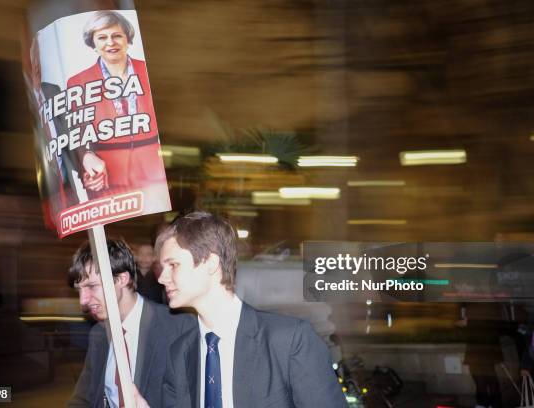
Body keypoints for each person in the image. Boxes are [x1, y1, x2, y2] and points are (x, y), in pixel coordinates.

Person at [152, 211, 347, 408]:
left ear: (210, 263)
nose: (162, 278)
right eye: (162, 267)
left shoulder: (288, 341)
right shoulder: (180, 353)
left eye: (173, 265)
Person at [67, 239, 195, 408]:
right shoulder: (98, 334)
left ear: (121, 279)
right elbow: (83, 398)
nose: (83, 300)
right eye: (79, 290)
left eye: (91, 286)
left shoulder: (178, 328)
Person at [66, 10, 168, 203]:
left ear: (127, 39)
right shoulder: (78, 82)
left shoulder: (148, 72)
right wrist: (86, 157)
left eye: (117, 36)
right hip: (107, 179)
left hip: (155, 177)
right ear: (93, 43)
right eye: (102, 37)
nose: (110, 42)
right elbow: (76, 133)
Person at [30, 35, 78, 227]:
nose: (39, 65)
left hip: (66, 181)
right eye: (36, 58)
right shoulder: (30, 101)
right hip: (47, 187)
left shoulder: (53, 90)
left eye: (44, 59)